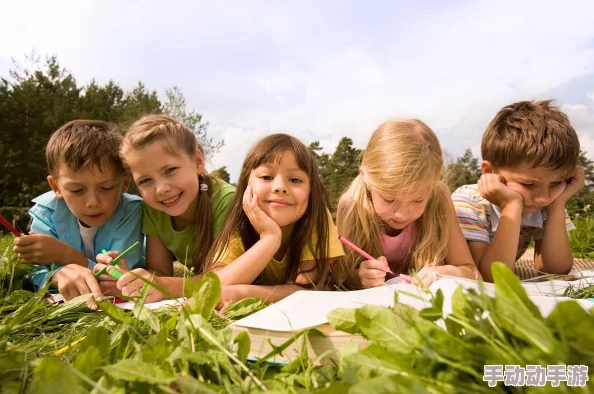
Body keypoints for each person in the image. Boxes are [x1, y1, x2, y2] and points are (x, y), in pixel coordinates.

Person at [95, 114, 235, 297]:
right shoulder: (154, 208)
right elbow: (160, 272)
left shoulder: (226, 200)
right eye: (145, 180)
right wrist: (128, 279)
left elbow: (224, 278)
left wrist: (163, 286)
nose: (161, 189)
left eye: (170, 170)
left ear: (198, 162)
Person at [333, 119, 479, 289]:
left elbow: (472, 273)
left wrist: (449, 272)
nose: (402, 214)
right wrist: (359, 278)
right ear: (366, 179)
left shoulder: (439, 199)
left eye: (418, 200)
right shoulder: (351, 205)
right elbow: (339, 276)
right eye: (389, 199)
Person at [203, 133, 344, 305]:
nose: (280, 187)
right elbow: (212, 288)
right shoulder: (239, 225)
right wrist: (270, 238)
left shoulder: (317, 219)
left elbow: (309, 289)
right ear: (246, 184)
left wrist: (243, 293)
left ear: (311, 192)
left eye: (294, 179)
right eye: (267, 177)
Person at [452, 100, 583, 281]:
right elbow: (488, 276)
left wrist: (557, 205)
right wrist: (511, 206)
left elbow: (555, 270)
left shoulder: (547, 201)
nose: (543, 198)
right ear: (490, 172)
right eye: (528, 185)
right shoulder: (469, 201)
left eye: (556, 183)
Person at [13, 120, 143, 301]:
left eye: (106, 188)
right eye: (76, 190)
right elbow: (33, 272)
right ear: (55, 186)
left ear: (125, 184)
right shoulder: (46, 212)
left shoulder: (132, 210)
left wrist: (66, 256)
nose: (92, 202)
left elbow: (116, 277)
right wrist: (58, 276)